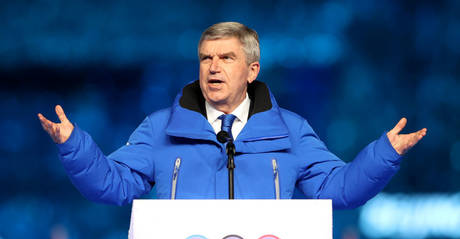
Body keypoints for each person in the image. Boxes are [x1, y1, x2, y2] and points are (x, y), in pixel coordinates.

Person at [37, 22, 427, 208]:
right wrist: (74, 146)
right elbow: (114, 184)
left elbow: (338, 189)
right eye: (206, 58)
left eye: (226, 58)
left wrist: (384, 153)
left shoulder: (292, 130)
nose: (213, 67)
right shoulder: (160, 128)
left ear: (252, 70)